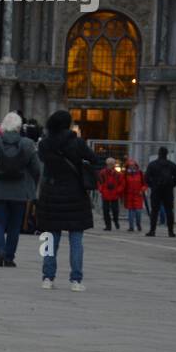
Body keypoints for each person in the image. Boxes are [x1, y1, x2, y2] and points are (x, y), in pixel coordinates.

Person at [36, 110, 101, 291]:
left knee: (50, 240)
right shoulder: (77, 143)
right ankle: (76, 280)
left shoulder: (45, 145)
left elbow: (44, 163)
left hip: (52, 193)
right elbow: (96, 161)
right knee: (76, 241)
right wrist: (83, 168)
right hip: (75, 195)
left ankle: (47, 278)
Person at [0, 111, 41, 266]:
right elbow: (36, 168)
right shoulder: (28, 144)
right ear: (19, 127)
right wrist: (31, 183)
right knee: (14, 224)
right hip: (19, 191)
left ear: (3, 126)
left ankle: (0, 249)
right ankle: (9, 257)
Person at [144, 146, 176, 236]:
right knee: (169, 210)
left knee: (154, 210)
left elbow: (146, 178)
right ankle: (170, 231)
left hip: (156, 190)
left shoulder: (152, 164)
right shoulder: (171, 164)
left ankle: (152, 230)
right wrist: (172, 185)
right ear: (166, 154)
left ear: (159, 153)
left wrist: (152, 186)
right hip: (168, 190)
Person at [96, 156, 124, 232]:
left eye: (111, 164)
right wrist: (101, 190)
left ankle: (116, 221)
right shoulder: (102, 172)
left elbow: (122, 184)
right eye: (109, 164)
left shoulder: (118, 174)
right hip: (106, 194)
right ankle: (108, 226)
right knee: (106, 211)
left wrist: (118, 191)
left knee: (115, 211)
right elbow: (99, 182)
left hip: (114, 195)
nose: (110, 165)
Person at [122, 157, 146, 232]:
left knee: (138, 212)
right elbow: (123, 185)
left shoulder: (140, 173)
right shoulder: (125, 175)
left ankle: (138, 224)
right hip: (129, 195)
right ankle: (131, 226)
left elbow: (145, 184)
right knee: (131, 212)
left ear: (136, 166)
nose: (132, 167)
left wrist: (142, 190)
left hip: (138, 195)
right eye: (130, 166)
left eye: (133, 165)